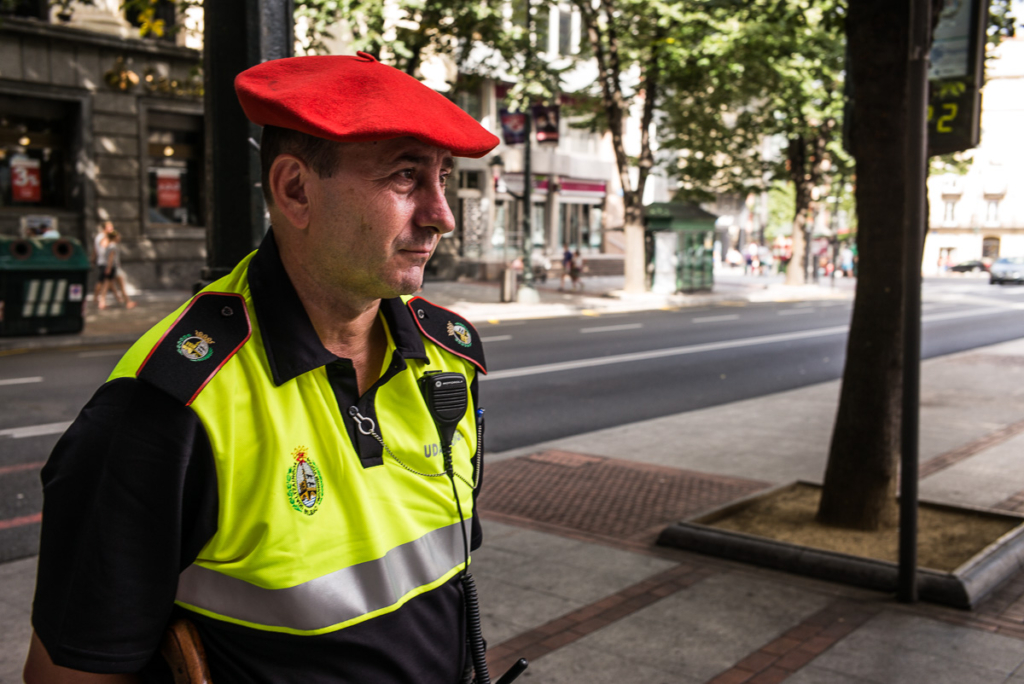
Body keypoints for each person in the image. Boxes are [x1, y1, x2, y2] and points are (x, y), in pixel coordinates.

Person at [25, 52, 499, 684]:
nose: (443, 214)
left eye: (443, 177)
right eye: (406, 178)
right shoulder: (172, 405)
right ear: (295, 190)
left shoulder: (448, 357)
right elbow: (69, 675)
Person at [102, 230, 136, 309]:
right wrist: (109, 268)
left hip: (112, 268)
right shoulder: (113, 246)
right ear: (114, 237)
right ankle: (128, 302)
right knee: (121, 286)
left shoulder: (108, 246)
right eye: (118, 236)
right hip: (115, 268)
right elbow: (111, 258)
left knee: (106, 285)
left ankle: (102, 302)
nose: (119, 237)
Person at [92, 220, 115, 308]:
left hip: (101, 261)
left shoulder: (98, 236)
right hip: (105, 262)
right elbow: (108, 250)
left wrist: (93, 259)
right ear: (105, 228)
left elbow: (94, 250)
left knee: (103, 281)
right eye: (110, 227)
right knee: (104, 282)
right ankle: (102, 301)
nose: (112, 229)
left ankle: (96, 298)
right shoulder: (105, 237)